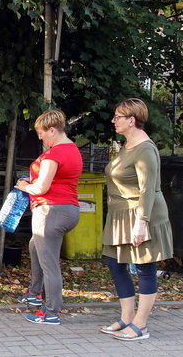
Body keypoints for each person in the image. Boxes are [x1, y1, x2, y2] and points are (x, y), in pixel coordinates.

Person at [100, 98, 173, 340]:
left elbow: (147, 189)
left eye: (118, 117)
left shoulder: (145, 148)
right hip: (120, 215)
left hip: (141, 213)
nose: (114, 121)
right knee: (114, 262)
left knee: (145, 268)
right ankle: (127, 317)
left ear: (131, 120)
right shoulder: (127, 144)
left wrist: (142, 223)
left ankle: (141, 325)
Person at [14, 110, 82, 325]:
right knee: (36, 247)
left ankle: (52, 311)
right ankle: (34, 292)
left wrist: (26, 186)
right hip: (68, 209)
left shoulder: (55, 154)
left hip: (51, 211)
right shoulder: (73, 150)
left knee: (49, 263)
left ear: (53, 129)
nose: (40, 137)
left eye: (42, 133)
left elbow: (42, 187)